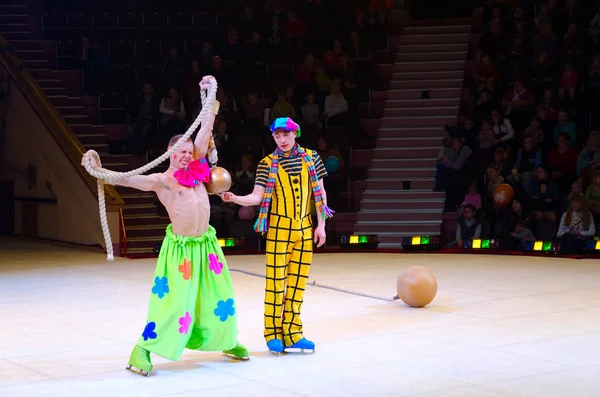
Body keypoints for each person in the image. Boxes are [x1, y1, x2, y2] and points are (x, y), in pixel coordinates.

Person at [81, 76, 248, 375]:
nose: (187, 154)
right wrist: (99, 171)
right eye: (181, 151)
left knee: (219, 297)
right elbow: (130, 179)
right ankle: (141, 349)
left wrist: (211, 97)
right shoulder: (163, 181)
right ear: (170, 154)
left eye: (189, 150)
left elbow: (206, 129)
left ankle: (226, 339)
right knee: (174, 304)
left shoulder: (198, 171)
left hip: (207, 247)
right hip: (181, 251)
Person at [220, 117, 331, 353]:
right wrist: (235, 198)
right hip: (279, 229)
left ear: (295, 134)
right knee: (275, 284)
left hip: (304, 227)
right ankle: (272, 333)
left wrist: (320, 226)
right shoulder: (267, 163)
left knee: (297, 284)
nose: (281, 140)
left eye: (286, 135)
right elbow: (257, 197)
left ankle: (293, 333)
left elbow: (320, 193)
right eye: (277, 136)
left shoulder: (311, 157)